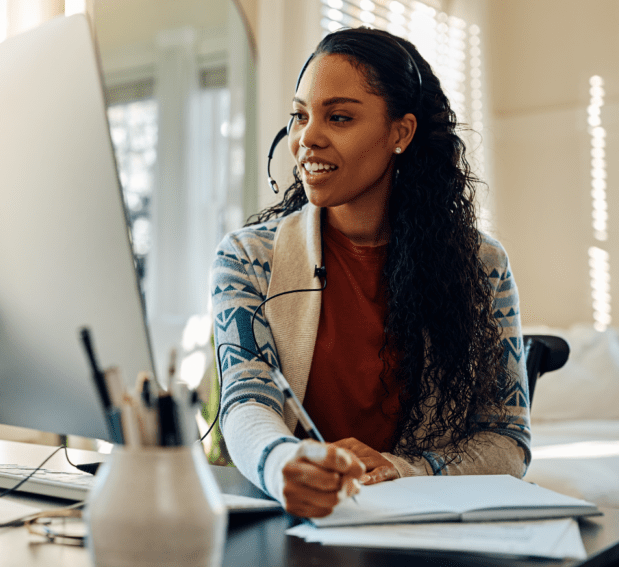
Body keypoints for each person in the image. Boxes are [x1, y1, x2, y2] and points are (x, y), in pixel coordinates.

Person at [210, 27, 530, 519]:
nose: (307, 139)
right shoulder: (249, 258)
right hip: (295, 520)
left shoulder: (481, 265)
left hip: (425, 528)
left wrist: (404, 468)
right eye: (299, 116)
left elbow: (508, 440)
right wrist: (282, 462)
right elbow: (246, 399)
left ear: (399, 133)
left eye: (338, 117)